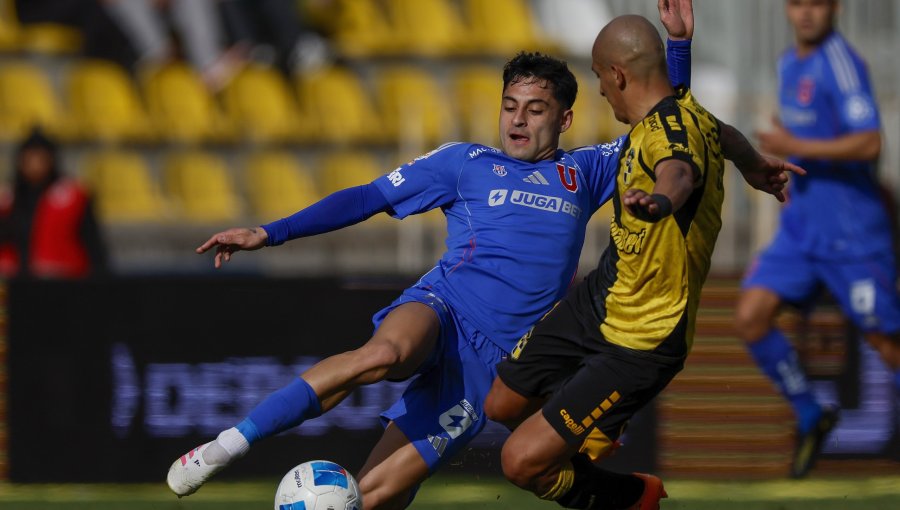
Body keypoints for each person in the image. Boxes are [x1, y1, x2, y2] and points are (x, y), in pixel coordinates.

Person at [166, 3, 798, 508]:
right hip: (443, 306)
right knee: (382, 355)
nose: (518, 122)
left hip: (492, 366)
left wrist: (682, 57)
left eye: (536, 110)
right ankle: (224, 446)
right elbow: (364, 198)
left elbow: (674, 119)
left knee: (367, 496)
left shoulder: (589, 171)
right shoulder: (461, 163)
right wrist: (267, 233)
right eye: (509, 107)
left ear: (567, 118)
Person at [481, 8, 804, 510]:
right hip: (605, 295)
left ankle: (630, 497)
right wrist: (754, 164)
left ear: (618, 75)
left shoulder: (669, 136)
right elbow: (723, 134)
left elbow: (678, 171)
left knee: (520, 463)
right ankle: (588, 425)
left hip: (644, 337)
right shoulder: (682, 110)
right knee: (502, 401)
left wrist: (659, 202)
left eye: (599, 79)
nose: (601, 92)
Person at [733, 0, 900, 479]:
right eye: (798, 3)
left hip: (852, 236)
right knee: (750, 317)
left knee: (886, 343)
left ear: (836, 8)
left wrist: (797, 145)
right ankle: (811, 412)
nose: (807, 13)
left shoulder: (842, 64)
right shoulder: (789, 64)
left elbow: (870, 142)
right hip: (800, 233)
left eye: (818, 3)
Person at [0, 127, 107, 279]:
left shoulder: (74, 197)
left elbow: (93, 245)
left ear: (51, 160)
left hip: (60, 285)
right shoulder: (7, 200)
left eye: (40, 159)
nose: (35, 165)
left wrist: (100, 283)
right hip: (11, 285)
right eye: (29, 159)